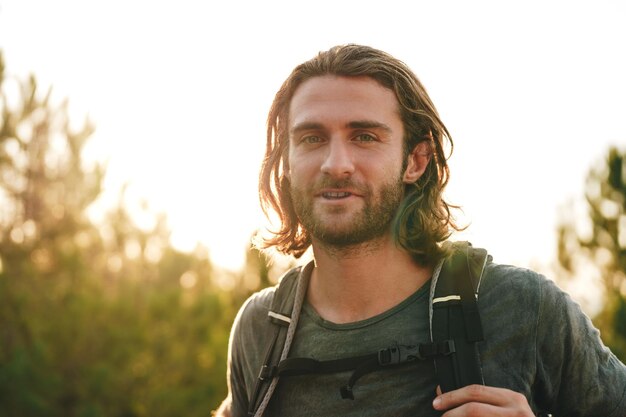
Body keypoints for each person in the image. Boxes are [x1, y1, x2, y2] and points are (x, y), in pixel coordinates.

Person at [214, 44, 626, 417]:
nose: (336, 163)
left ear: (416, 160)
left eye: (364, 136)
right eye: (311, 138)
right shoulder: (261, 329)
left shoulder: (522, 307)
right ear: (285, 161)